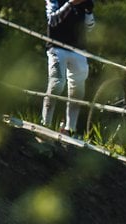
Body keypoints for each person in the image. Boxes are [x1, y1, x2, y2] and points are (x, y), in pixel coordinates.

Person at [42, 0, 95, 136]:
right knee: (57, 83)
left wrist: (89, 11)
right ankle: (45, 124)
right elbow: (52, 20)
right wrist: (70, 3)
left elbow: (90, 27)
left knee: (77, 89)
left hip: (79, 50)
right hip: (57, 48)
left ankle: (70, 129)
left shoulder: (84, 3)